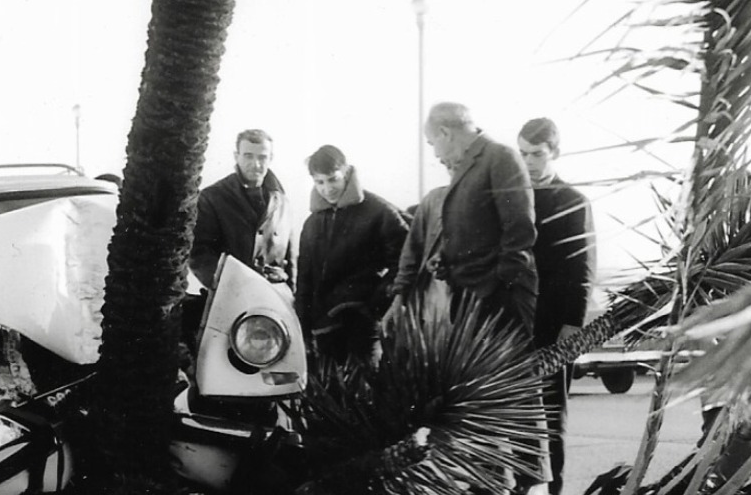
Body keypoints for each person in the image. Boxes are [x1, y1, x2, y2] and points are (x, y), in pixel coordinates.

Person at [391, 102, 538, 336]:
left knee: (506, 372)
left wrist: (498, 286)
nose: (436, 154)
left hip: (498, 300)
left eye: (432, 144)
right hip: (469, 298)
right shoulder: (466, 166)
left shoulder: (500, 156)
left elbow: (519, 228)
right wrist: (445, 258)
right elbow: (475, 229)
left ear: (445, 133)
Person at [513, 118, 596, 495]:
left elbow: (582, 271)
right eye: (523, 154)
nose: (528, 162)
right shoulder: (512, 197)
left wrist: (571, 329)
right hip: (514, 322)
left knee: (550, 412)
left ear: (555, 153)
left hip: (553, 324)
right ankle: (522, 488)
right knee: (515, 411)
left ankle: (554, 494)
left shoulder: (573, 201)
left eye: (537, 154)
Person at [294, 145, 408, 364]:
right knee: (328, 395)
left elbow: (406, 259)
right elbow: (304, 280)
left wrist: (373, 303)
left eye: (332, 179)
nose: (327, 189)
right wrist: (303, 328)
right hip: (323, 326)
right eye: (319, 182)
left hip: (362, 325)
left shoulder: (379, 211)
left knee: (365, 391)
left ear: (346, 172)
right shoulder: (312, 223)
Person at [189, 129, 293, 289]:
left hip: (274, 295)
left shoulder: (282, 201)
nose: (255, 164)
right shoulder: (212, 197)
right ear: (236, 156)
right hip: (231, 293)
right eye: (248, 156)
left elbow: (291, 259)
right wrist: (225, 283)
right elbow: (199, 253)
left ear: (271, 158)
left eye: (262, 157)